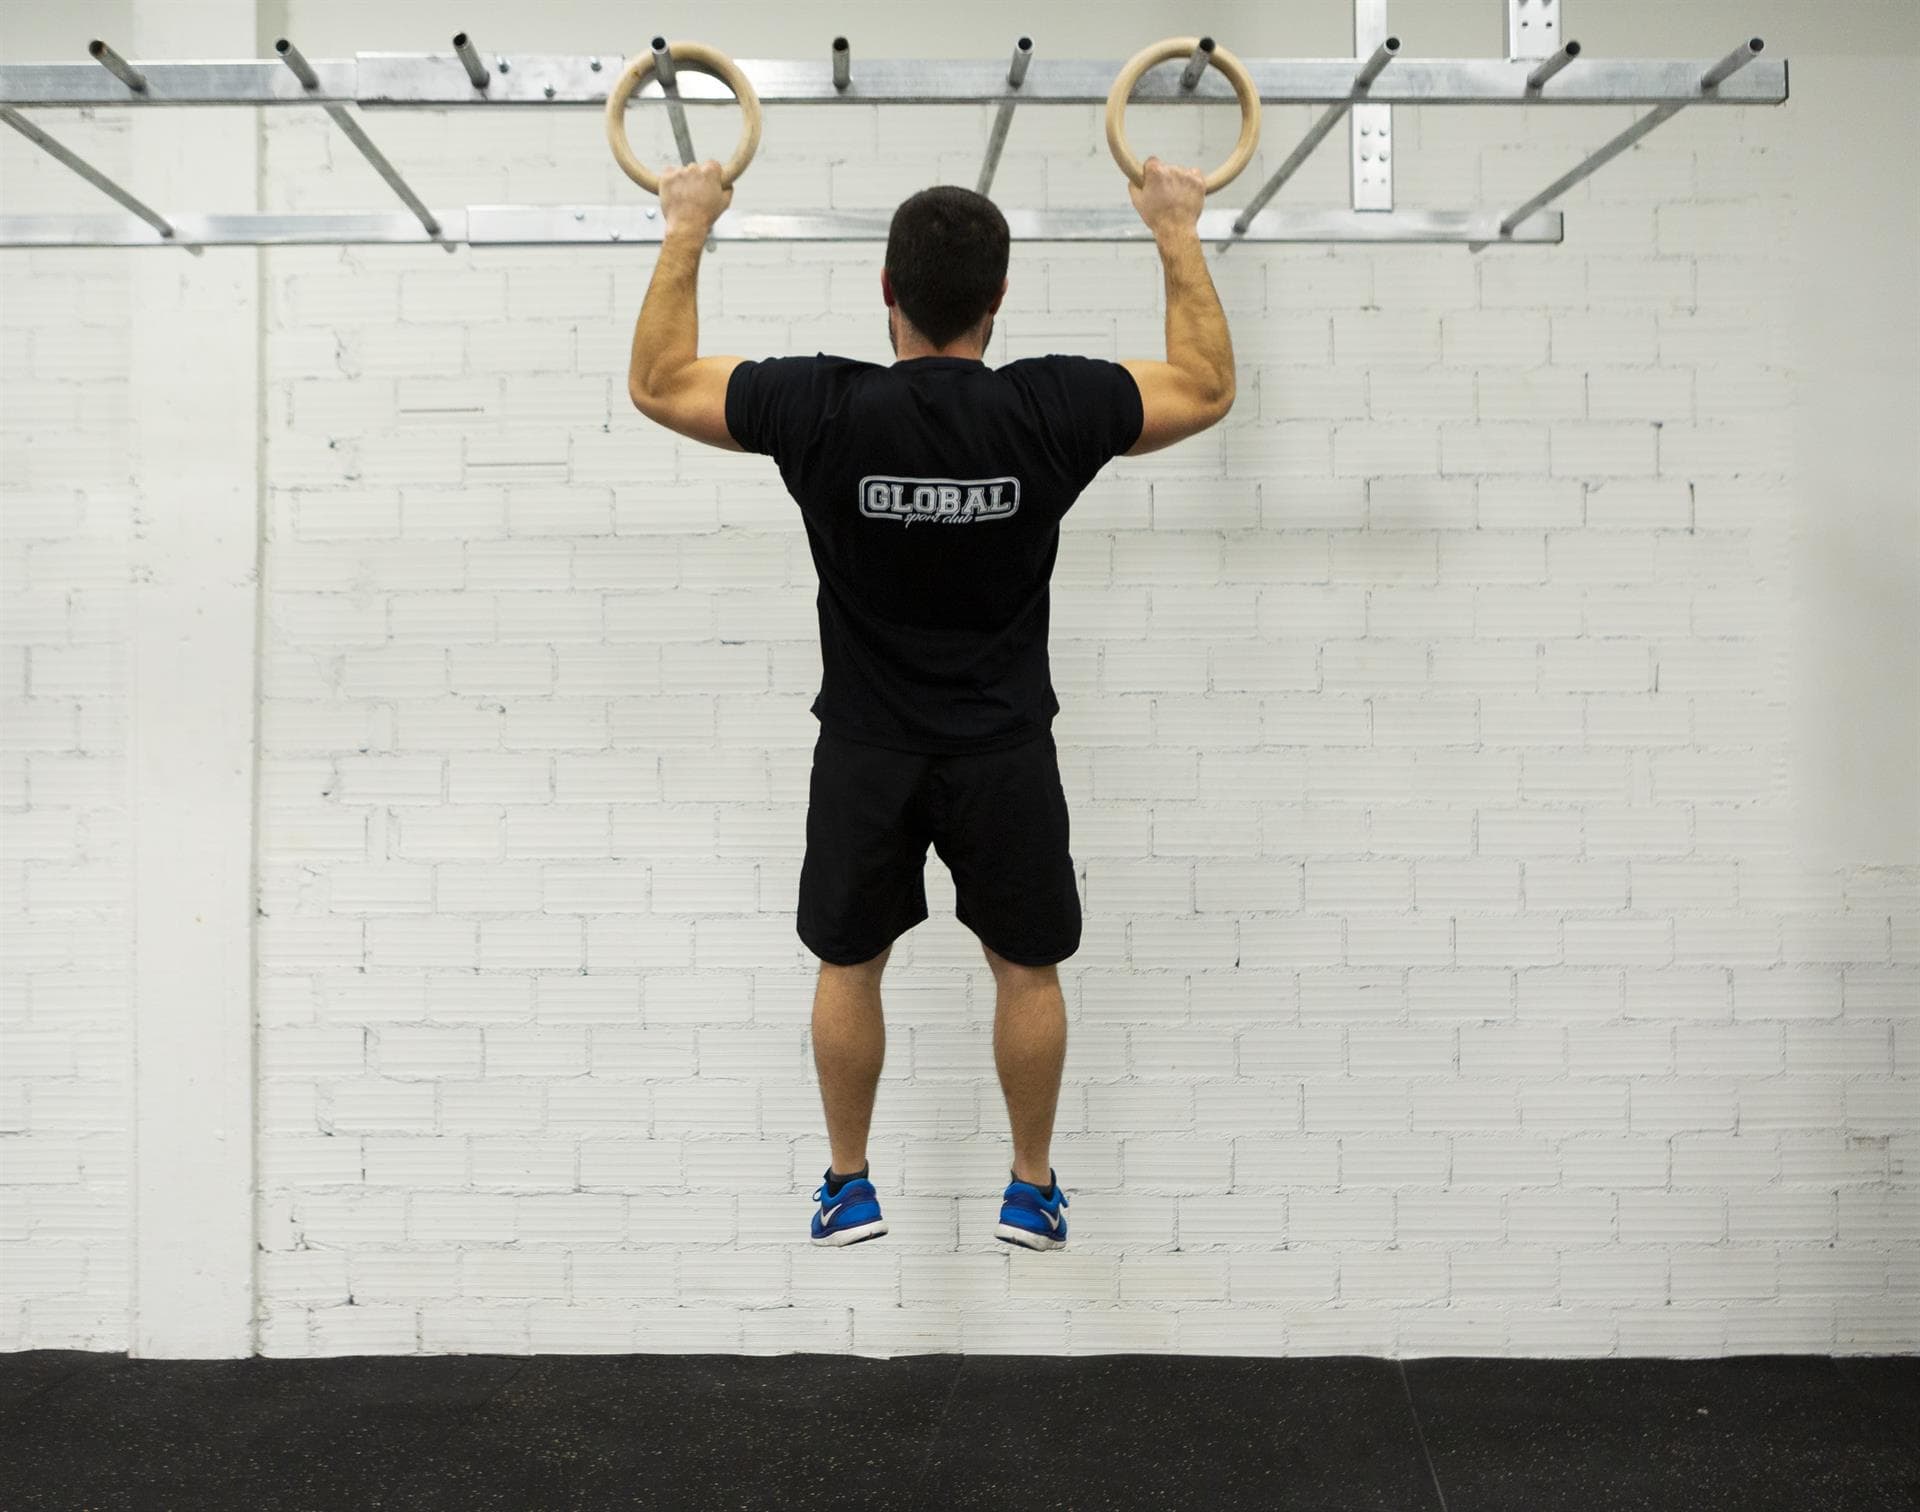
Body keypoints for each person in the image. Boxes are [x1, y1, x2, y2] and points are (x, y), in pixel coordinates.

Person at [626, 155, 1235, 1252]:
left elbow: (661, 382)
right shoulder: (1050, 407)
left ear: (886, 291)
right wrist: (1176, 228)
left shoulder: (822, 405)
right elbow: (1206, 385)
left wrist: (687, 224)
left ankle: (849, 1182)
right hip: (1003, 746)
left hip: (868, 747)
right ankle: (1031, 1185)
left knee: (849, 962)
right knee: (1027, 965)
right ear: (998, 303)